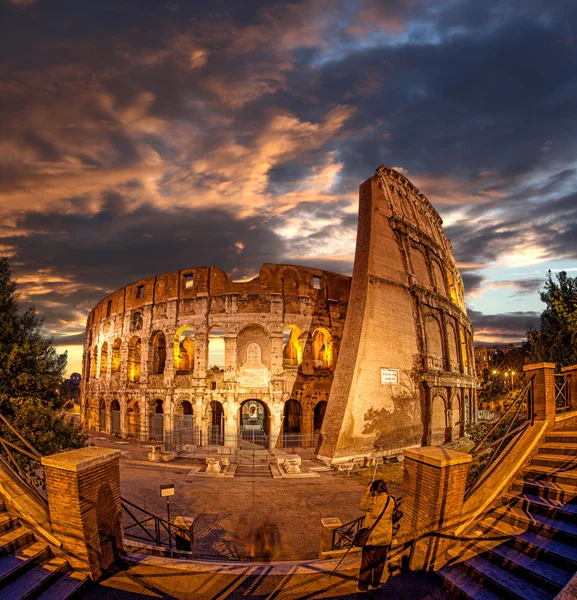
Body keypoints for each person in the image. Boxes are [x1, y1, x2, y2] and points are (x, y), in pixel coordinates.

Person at [357, 479, 394, 592]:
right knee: (379, 563)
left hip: (372, 538)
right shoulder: (391, 500)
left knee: (367, 563)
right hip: (385, 537)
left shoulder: (373, 501)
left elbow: (362, 506)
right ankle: (375, 584)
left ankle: (363, 587)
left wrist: (367, 492)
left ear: (375, 489)